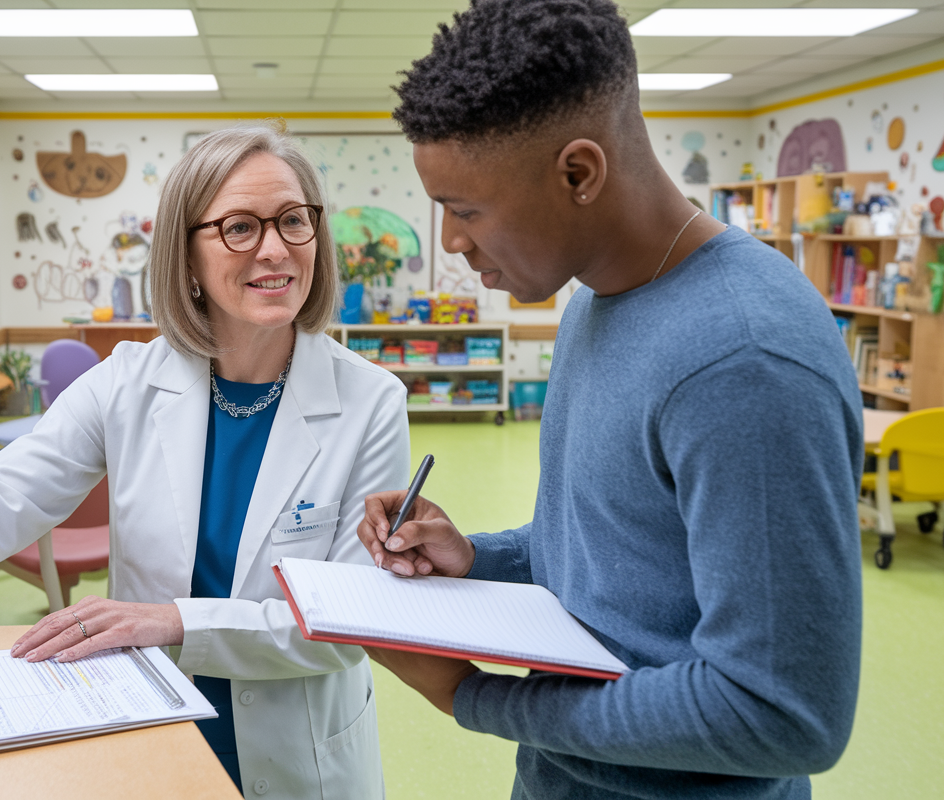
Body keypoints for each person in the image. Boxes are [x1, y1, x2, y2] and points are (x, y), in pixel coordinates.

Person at [0, 124, 409, 800]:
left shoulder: (371, 402)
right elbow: (1, 495)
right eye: (239, 227)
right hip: (150, 718)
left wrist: (172, 620)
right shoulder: (128, 382)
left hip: (305, 754)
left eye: (293, 221)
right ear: (187, 255)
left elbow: (347, 626)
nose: (276, 248)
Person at [357, 2, 863, 799]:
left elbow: (783, 713)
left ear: (578, 173)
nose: (451, 242)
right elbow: (619, 546)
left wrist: (474, 694)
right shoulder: (594, 298)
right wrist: (480, 559)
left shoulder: (744, 359)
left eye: (465, 209)